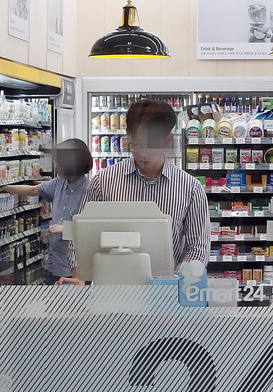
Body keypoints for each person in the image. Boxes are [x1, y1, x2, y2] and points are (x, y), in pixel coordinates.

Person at [85, 98, 208, 271]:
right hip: (113, 287)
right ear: (128, 135)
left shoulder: (191, 189)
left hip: (167, 292)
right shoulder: (102, 183)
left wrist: (176, 280)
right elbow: (81, 235)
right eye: (138, 145)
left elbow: (198, 248)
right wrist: (80, 274)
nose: (144, 154)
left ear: (168, 140)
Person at [0, 138, 91, 285]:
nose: (56, 166)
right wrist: (6, 187)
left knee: (73, 306)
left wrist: (67, 229)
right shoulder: (59, 183)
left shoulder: (90, 190)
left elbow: (92, 229)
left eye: (60, 162)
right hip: (55, 262)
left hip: (76, 268)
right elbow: (34, 190)